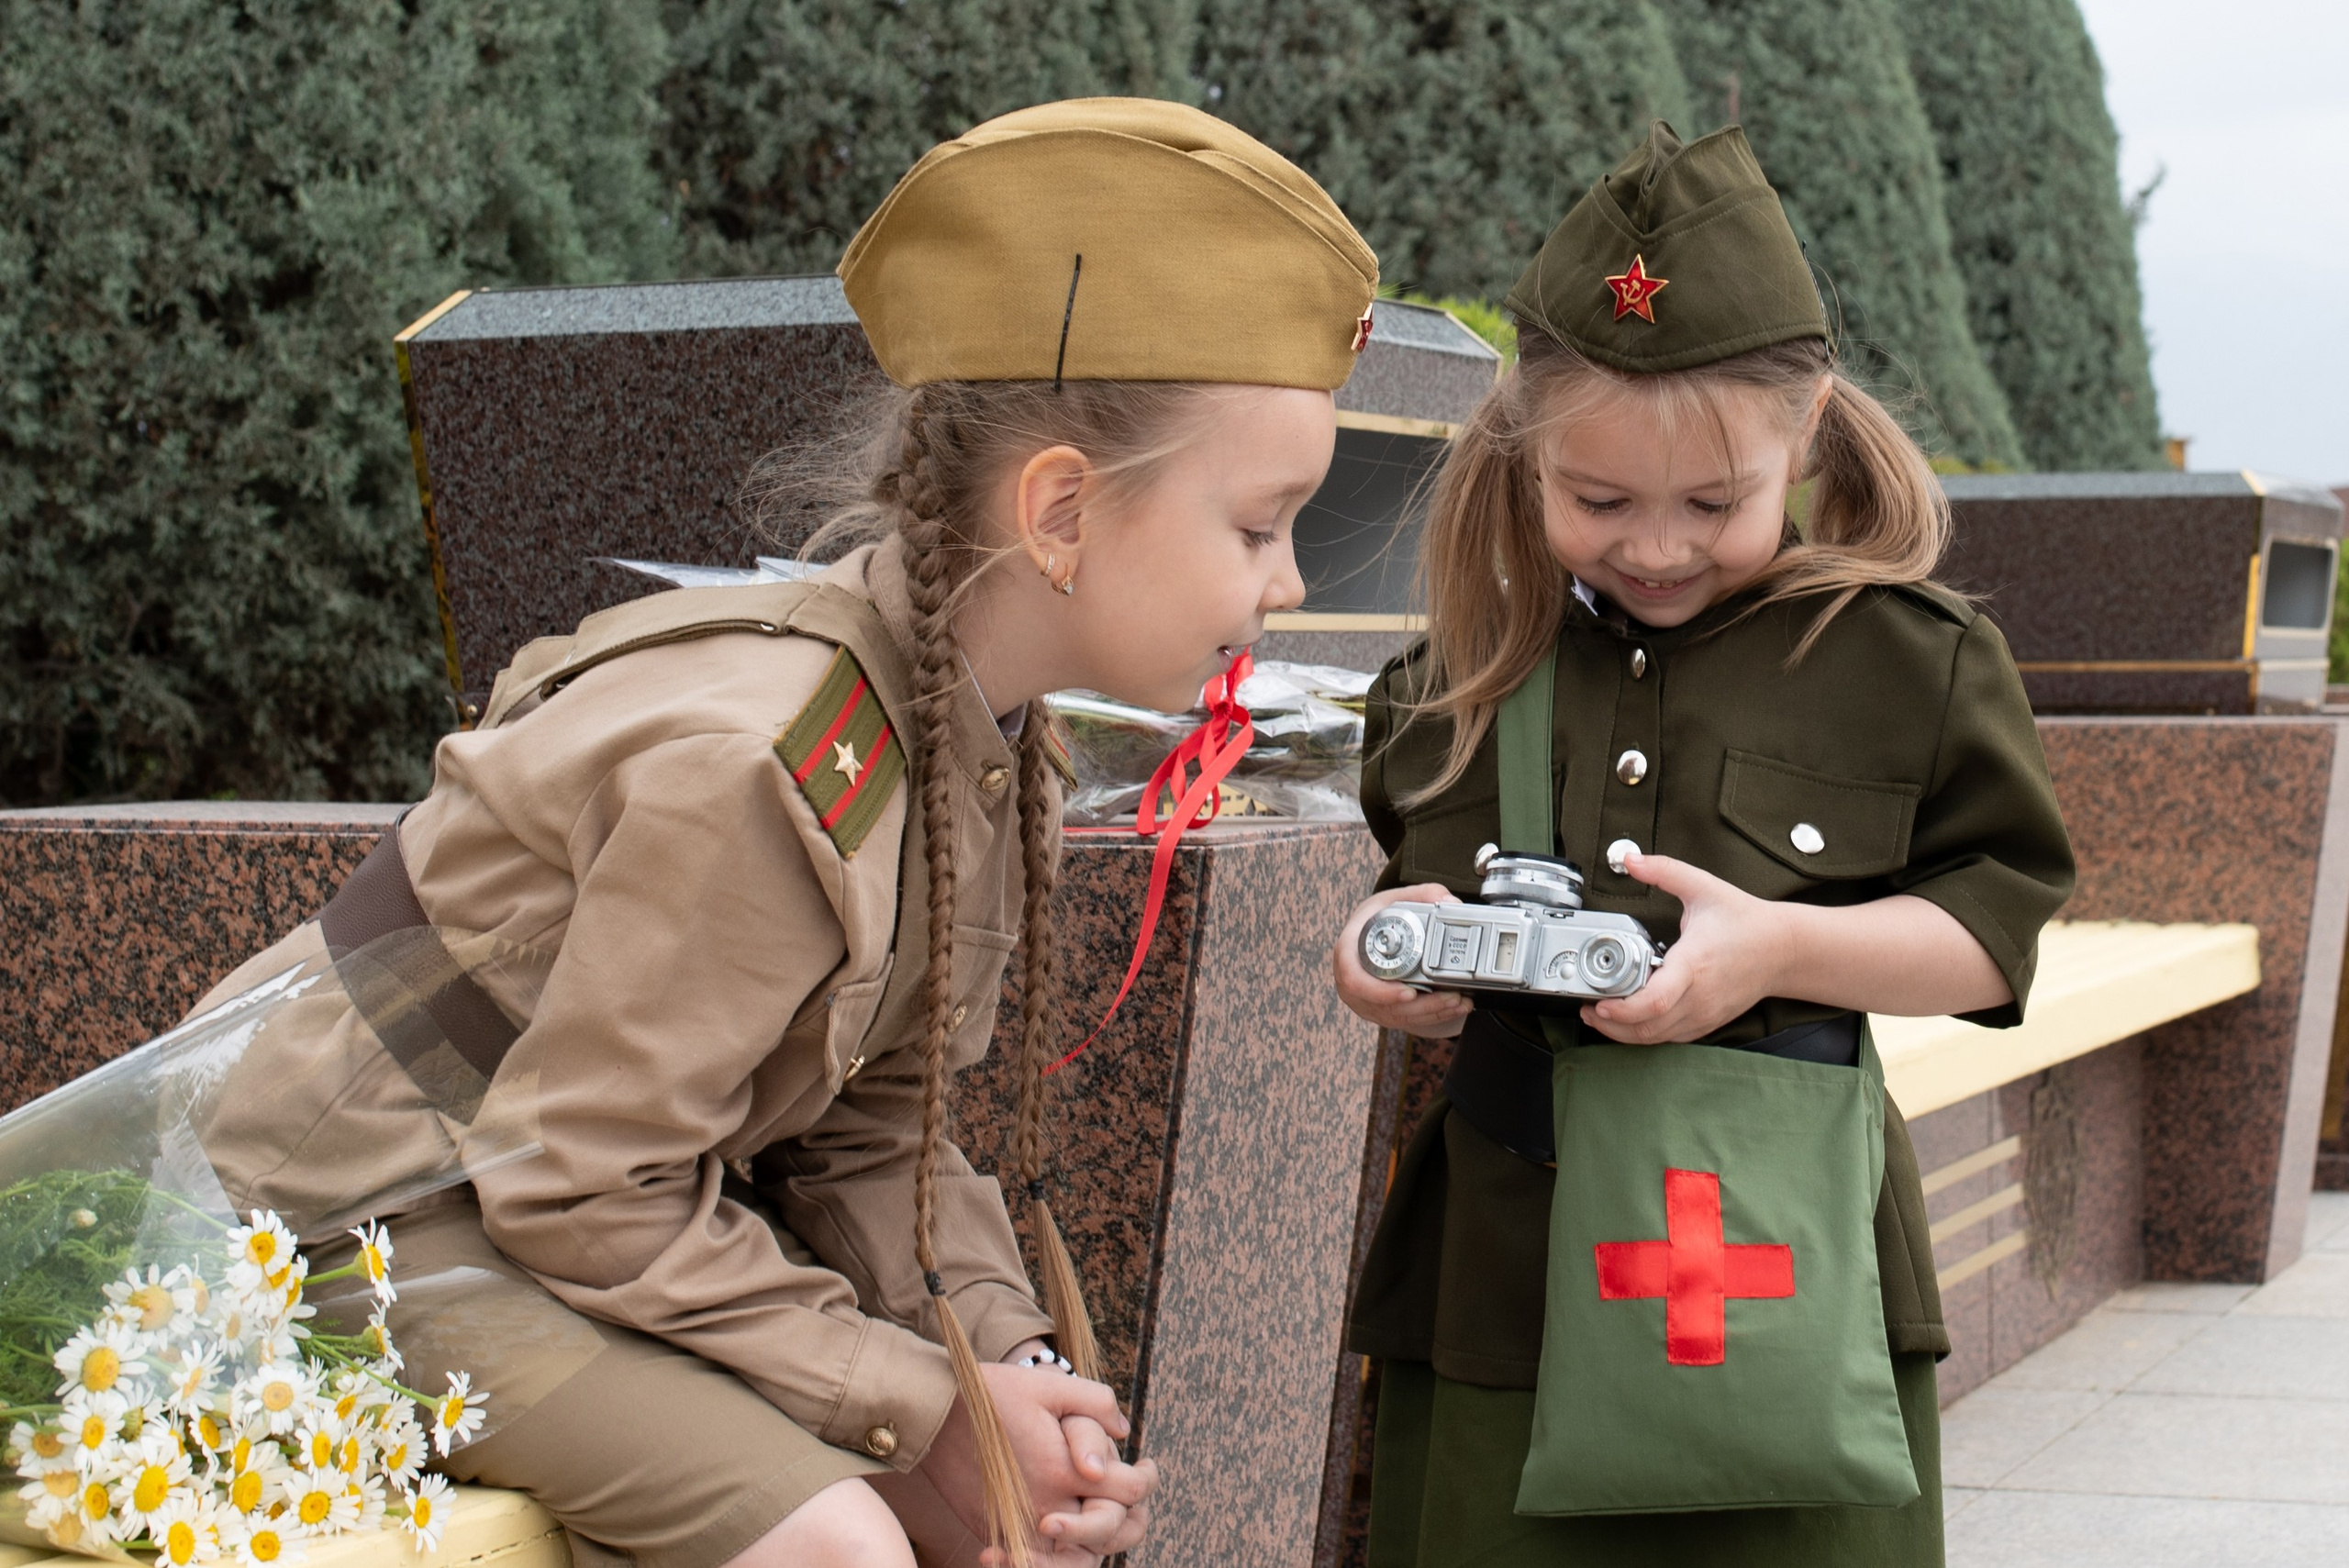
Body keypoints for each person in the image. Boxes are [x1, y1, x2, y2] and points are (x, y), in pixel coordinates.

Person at [186, 98, 1379, 1568]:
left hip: (546, 1207)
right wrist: (921, 1399)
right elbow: (580, 1180)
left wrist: (1009, 1371)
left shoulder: (973, 725)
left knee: (1004, 1509)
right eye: (1259, 526)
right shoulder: (769, 768)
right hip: (355, 1224)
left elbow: (872, 1123)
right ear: (1062, 513)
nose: (1290, 583)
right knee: (841, 1542)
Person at [1330, 121, 2075, 1566]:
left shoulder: (1905, 662)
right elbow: (1408, 896)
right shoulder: (1453, 683)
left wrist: (1781, 947)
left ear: (1807, 434)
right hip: (1508, 1288)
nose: (1657, 546)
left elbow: (1992, 937)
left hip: (1792, 1276)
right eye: (1599, 500)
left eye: (1714, 503)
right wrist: (1382, 959)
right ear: (1525, 448)